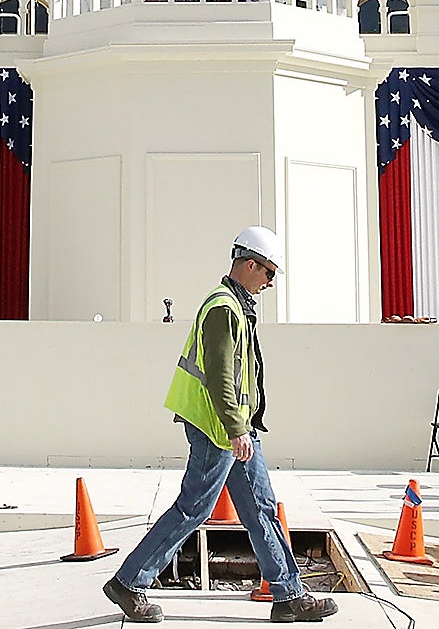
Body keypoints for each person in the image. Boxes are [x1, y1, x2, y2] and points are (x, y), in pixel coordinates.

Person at [104, 227, 335, 624]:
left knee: (261, 508)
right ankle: (130, 581)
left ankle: (289, 595)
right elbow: (220, 375)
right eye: (269, 273)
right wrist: (235, 429)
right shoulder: (223, 308)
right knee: (193, 509)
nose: (270, 282)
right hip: (219, 429)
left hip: (236, 427)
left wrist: (243, 427)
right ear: (250, 265)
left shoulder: (238, 306)